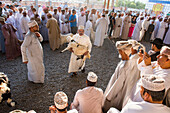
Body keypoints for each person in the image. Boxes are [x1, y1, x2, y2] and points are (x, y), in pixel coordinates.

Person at [103, 40, 141, 112]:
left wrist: (109, 96)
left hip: (118, 92)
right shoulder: (127, 62)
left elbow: (118, 83)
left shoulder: (125, 66)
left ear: (122, 51)